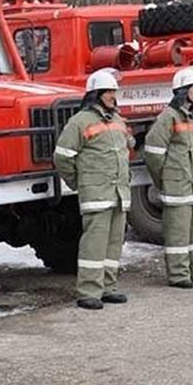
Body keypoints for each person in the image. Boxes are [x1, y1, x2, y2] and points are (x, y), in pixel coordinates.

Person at [54, 68, 133, 310]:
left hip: (119, 194)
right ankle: (88, 291)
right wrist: (80, 183)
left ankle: (108, 288)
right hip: (96, 195)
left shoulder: (117, 120)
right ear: (95, 94)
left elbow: (125, 147)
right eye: (108, 91)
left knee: (113, 244)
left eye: (114, 91)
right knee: (94, 245)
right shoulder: (80, 122)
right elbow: (63, 158)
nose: (113, 96)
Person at [143, 67, 193, 288]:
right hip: (177, 185)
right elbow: (153, 151)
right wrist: (164, 178)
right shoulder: (168, 117)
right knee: (178, 233)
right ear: (182, 91)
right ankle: (178, 274)